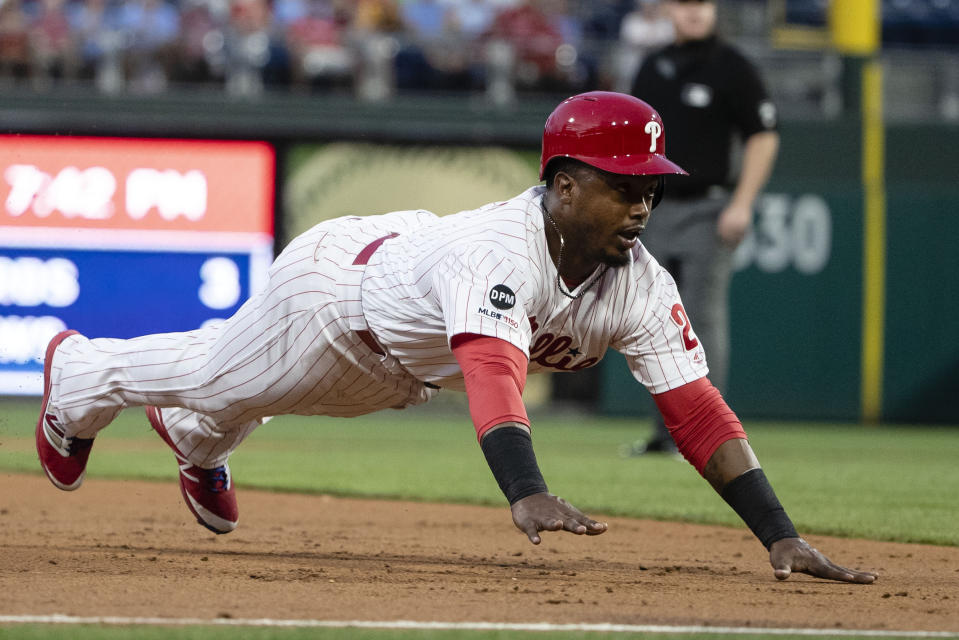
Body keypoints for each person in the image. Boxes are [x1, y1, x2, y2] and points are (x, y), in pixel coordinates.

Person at [35, 91, 875, 584]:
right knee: (219, 376)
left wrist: (780, 535)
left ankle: (192, 439)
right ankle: (78, 374)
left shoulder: (640, 281)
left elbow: (694, 411)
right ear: (563, 183)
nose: (642, 206)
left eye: (649, 188)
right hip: (337, 301)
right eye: (623, 187)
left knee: (235, 392)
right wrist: (525, 488)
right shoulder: (500, 249)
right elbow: (492, 371)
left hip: (400, 356)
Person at [624, 0, 780, 456]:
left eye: (702, 4)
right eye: (685, 3)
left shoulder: (732, 68)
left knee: (698, 318)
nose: (694, 13)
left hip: (709, 207)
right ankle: (666, 435)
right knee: (650, 322)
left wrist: (743, 203)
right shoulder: (652, 67)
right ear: (669, 9)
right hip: (653, 207)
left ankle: (707, 436)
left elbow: (764, 134)